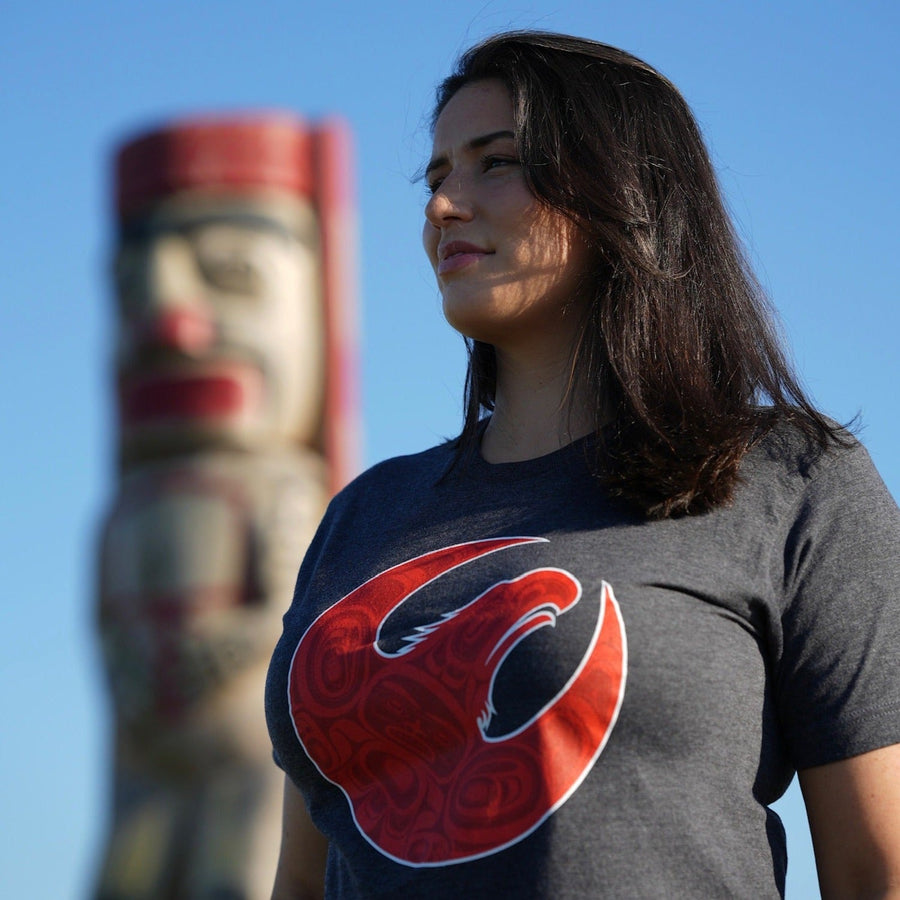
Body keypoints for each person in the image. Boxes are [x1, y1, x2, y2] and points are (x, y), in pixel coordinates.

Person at [265, 31, 900, 899]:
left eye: (497, 163)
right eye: (437, 174)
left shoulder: (792, 482)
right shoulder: (362, 516)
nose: (444, 205)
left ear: (625, 190)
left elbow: (880, 869)